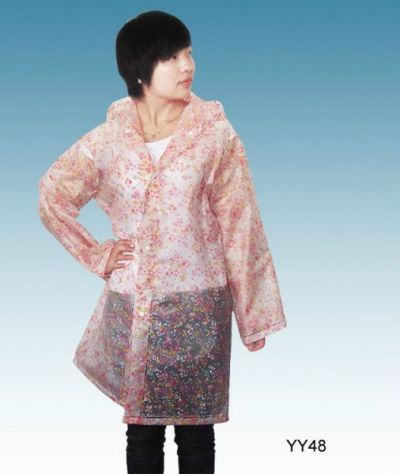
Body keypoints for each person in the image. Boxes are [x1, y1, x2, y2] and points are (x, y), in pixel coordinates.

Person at [38, 10, 287, 474]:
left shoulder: (214, 136)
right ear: (140, 70)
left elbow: (241, 224)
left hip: (199, 308)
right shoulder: (108, 142)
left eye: (189, 53)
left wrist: (253, 316)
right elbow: (52, 194)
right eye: (171, 57)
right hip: (134, 308)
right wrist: (97, 254)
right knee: (141, 434)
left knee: (197, 434)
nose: (187, 65)